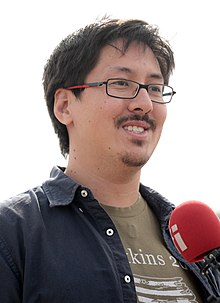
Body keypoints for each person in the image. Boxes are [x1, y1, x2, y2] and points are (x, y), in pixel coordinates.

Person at [0, 17, 219, 303]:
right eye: (121, 83)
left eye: (155, 88)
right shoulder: (13, 233)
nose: (144, 104)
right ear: (65, 106)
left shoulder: (194, 237)